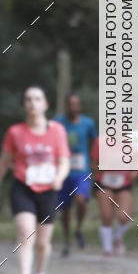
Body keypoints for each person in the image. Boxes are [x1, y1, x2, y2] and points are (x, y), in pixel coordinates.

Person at [0, 86, 70, 274]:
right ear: (24, 104)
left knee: (42, 243)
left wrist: (59, 177)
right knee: (25, 234)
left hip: (48, 190)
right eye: (28, 99)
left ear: (45, 104)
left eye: (37, 99)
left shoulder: (57, 130)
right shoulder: (15, 132)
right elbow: (4, 162)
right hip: (23, 188)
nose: (32, 103)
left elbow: (64, 160)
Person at [55, 94, 97, 255]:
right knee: (65, 209)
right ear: (66, 106)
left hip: (82, 170)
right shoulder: (58, 123)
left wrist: (95, 161)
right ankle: (67, 241)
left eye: (76, 104)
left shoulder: (88, 123)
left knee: (80, 200)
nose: (73, 107)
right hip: (64, 171)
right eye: (70, 104)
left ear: (79, 106)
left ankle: (79, 228)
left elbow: (96, 142)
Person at [90, 136, 138, 257]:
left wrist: (134, 172)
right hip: (104, 182)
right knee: (106, 216)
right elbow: (93, 165)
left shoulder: (131, 142)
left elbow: (137, 162)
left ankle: (117, 237)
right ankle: (107, 249)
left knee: (124, 217)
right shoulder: (100, 141)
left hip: (124, 183)